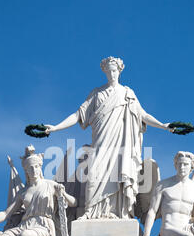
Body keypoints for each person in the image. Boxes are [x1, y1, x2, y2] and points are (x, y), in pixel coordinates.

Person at [44, 56, 174, 219]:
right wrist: (55, 127)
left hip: (121, 144)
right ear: (104, 72)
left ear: (119, 71)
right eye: (108, 71)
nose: (111, 74)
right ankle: (91, 212)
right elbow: (78, 115)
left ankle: (120, 212)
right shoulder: (96, 94)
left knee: (120, 175)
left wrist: (163, 125)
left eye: (114, 71)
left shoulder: (128, 93)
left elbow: (143, 115)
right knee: (94, 176)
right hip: (100, 143)